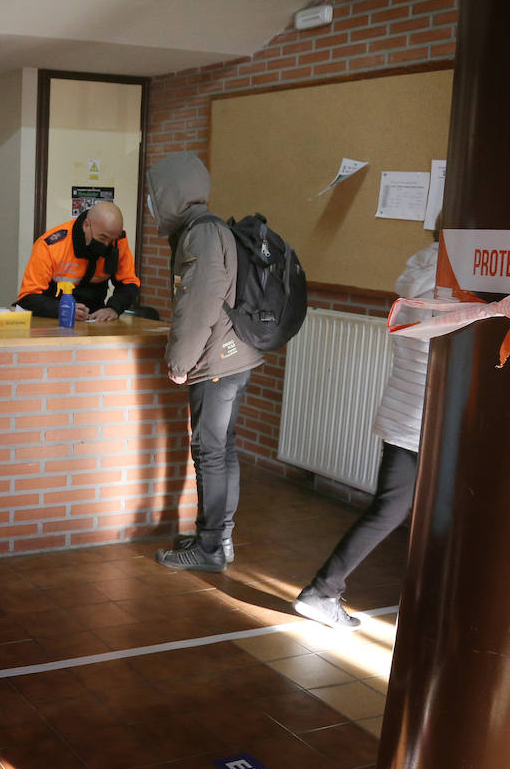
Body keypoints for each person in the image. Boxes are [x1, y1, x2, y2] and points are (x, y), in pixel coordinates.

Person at [294, 239, 440, 628]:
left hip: (403, 415)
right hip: (427, 422)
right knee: (400, 511)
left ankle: (323, 591)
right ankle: (322, 591)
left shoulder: (419, 274)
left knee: (390, 510)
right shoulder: (454, 289)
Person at [148, 152, 263, 572]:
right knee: (222, 450)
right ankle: (217, 537)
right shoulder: (206, 228)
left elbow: (198, 305)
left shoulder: (201, 234)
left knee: (210, 452)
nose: (151, 202)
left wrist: (180, 361)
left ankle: (211, 547)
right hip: (232, 357)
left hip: (216, 362)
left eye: (154, 194)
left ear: (171, 193)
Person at [15, 201, 141, 322]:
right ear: (86, 225)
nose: (107, 244)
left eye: (112, 239)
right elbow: (28, 297)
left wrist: (113, 308)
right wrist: (63, 309)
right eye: (103, 237)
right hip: (52, 319)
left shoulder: (118, 242)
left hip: (94, 320)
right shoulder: (51, 246)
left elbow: (129, 284)